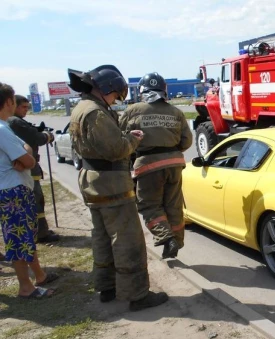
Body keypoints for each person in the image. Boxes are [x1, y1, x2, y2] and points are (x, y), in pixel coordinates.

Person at [67, 65, 168, 311]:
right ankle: (138, 295)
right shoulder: (96, 112)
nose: (114, 100)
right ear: (106, 88)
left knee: (102, 237)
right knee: (128, 240)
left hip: (93, 182)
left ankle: (107, 287)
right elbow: (116, 149)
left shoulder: (82, 107)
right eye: (114, 95)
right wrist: (133, 139)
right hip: (111, 184)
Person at [119, 72, 192, 259]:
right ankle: (176, 240)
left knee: (149, 205)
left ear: (142, 90)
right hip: (174, 164)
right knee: (173, 205)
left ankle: (167, 238)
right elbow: (186, 141)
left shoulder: (133, 110)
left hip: (148, 165)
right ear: (164, 90)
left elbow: (121, 138)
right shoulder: (176, 112)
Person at [0, 81, 59, 298]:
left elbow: (25, 150)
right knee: (18, 239)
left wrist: (25, 157)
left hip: (12, 188)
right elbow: (29, 158)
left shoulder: (5, 126)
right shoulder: (2, 130)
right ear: (8, 101)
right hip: (12, 191)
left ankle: (39, 275)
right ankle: (26, 287)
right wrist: (26, 158)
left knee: (26, 236)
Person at [7, 95, 60, 243]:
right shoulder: (15, 122)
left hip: (27, 166)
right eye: (23, 107)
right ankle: (40, 233)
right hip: (27, 168)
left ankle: (40, 230)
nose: (26, 110)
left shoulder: (14, 122)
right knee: (36, 199)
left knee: (37, 199)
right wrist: (47, 136)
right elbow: (36, 138)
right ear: (13, 106)